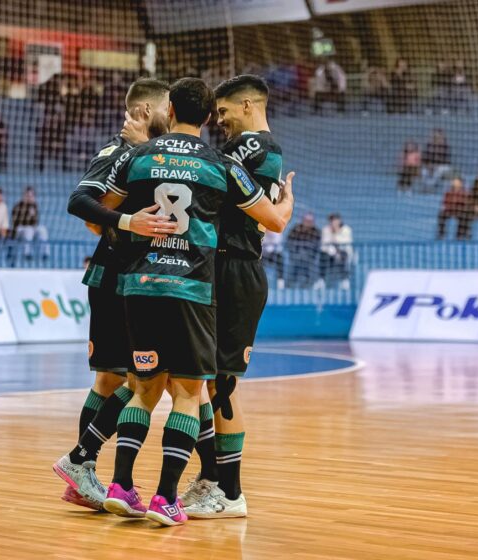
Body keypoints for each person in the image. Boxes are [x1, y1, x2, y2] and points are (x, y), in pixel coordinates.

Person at [98, 77, 292, 527]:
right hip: (197, 281)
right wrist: (286, 205)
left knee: (170, 386)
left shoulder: (148, 156)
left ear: (169, 106)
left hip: (161, 280)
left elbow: (99, 209)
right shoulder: (220, 161)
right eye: (216, 113)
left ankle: (211, 488)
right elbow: (273, 218)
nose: (222, 120)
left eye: (230, 111)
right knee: (192, 387)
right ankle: (190, 488)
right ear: (206, 116)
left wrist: (128, 219)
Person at [55, 78, 177, 511]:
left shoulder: (145, 150)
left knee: (111, 380)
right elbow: (79, 201)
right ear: (145, 112)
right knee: (140, 381)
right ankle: (81, 460)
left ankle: (83, 468)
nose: (173, 113)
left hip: (126, 280)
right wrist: (127, 222)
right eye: (167, 106)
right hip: (114, 279)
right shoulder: (119, 151)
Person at [175, 74, 291, 519]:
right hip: (215, 267)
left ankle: (232, 492)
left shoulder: (260, 148)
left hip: (237, 269)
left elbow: (215, 178)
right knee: (199, 380)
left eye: (223, 112)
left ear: (247, 105)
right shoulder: (240, 151)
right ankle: (212, 479)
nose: (218, 121)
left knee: (222, 384)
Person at [11, 187, 49, 260]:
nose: (29, 198)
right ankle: (27, 253)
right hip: (19, 229)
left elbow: (35, 222)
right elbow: (15, 222)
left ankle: (45, 253)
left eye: (31, 196)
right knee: (29, 230)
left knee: (42, 229)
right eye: (27, 196)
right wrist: (26, 210)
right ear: (24, 196)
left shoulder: (34, 206)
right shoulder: (18, 206)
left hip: (31, 228)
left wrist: (32, 214)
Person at [320, 213, 353, 289]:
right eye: (332, 220)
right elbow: (324, 244)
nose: (333, 222)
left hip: (344, 251)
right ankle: (321, 280)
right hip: (330, 252)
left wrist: (335, 235)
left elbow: (346, 243)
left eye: (335, 220)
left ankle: (345, 280)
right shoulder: (326, 229)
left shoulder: (346, 229)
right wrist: (334, 252)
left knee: (342, 257)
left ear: (339, 220)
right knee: (323, 256)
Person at [286, 213, 320, 288]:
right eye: (306, 221)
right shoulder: (296, 228)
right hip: (296, 254)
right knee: (298, 258)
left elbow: (317, 245)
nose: (308, 223)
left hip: (310, 256)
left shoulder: (316, 231)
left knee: (306, 258)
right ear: (303, 220)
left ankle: (310, 284)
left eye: (310, 221)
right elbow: (289, 241)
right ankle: (289, 285)